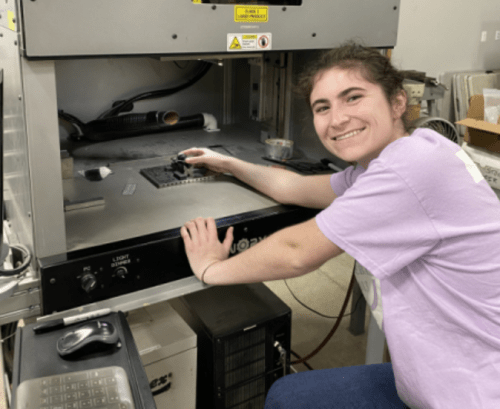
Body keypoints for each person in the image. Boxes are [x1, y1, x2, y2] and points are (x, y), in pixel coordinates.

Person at [179, 42, 500, 408]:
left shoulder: (408, 169)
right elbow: (297, 187)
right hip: (437, 376)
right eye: (323, 107)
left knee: (288, 398)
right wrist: (229, 164)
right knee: (288, 394)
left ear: (397, 102)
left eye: (353, 98)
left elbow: (297, 252)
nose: (337, 119)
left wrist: (210, 270)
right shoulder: (407, 152)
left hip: (476, 391)